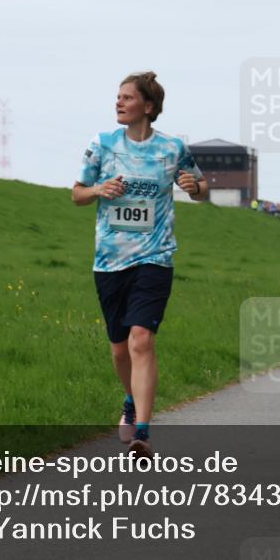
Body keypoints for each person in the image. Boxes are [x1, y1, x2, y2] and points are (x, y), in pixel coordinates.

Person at [73, 71, 208, 459]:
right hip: (109, 260)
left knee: (141, 339)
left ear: (147, 106)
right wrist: (100, 189)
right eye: (117, 97)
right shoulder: (102, 145)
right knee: (119, 349)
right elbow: (77, 193)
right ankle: (130, 399)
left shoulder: (173, 148)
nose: (118, 103)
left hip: (155, 257)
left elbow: (201, 189)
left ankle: (144, 433)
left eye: (127, 97)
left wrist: (192, 187)